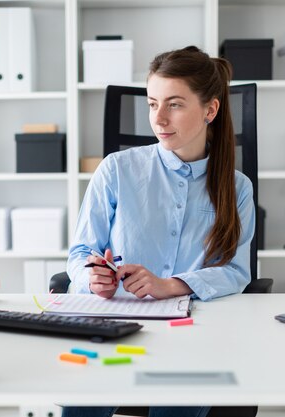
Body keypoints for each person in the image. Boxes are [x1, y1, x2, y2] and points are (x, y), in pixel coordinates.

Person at [62, 46, 255, 417]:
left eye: (175, 105)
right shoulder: (116, 170)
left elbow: (235, 271)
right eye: (153, 104)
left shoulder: (237, 187)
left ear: (210, 110)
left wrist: (172, 285)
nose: (159, 119)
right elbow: (79, 254)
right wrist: (92, 280)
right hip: (113, 325)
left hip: (191, 333)